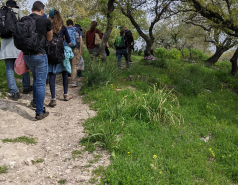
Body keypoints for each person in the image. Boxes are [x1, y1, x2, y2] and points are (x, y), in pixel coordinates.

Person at [22, 1, 53, 120]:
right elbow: (49, 38)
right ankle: (39, 112)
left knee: (35, 78)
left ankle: (35, 102)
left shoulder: (24, 20)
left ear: (31, 9)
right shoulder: (45, 21)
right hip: (39, 55)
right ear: (42, 10)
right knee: (40, 82)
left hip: (26, 55)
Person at [0, 0, 32, 101]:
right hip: (17, 45)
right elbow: (25, 23)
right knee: (23, 66)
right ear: (14, 6)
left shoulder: (2, 14)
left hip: (5, 46)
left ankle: (14, 92)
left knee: (9, 70)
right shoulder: (17, 11)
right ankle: (26, 87)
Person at [47, 9, 73, 107]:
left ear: (50, 17)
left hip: (51, 53)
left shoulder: (48, 26)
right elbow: (69, 42)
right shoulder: (63, 27)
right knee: (65, 73)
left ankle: (53, 99)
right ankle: (65, 94)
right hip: (61, 53)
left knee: (52, 75)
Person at [66, 19, 82, 87]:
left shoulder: (65, 29)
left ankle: (66, 79)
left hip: (67, 49)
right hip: (75, 49)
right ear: (73, 24)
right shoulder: (76, 29)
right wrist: (80, 48)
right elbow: (80, 39)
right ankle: (74, 81)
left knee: (68, 64)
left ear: (67, 24)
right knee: (74, 65)